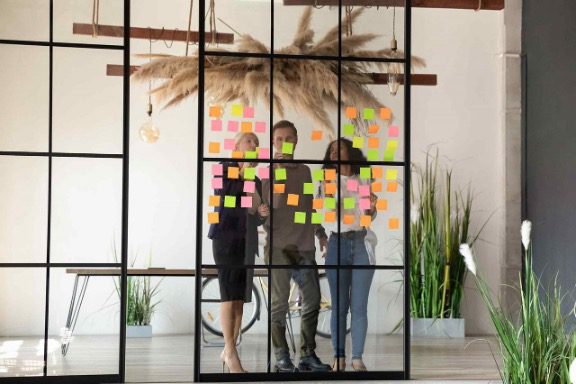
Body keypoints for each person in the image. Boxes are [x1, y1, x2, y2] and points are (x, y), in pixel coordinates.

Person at [261, 120, 332, 372]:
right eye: (279, 139)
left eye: (288, 138)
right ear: (273, 142)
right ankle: (282, 357)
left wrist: (320, 232)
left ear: (296, 140)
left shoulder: (304, 171)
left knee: (312, 299)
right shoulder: (268, 171)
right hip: (278, 247)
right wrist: (278, 167)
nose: (284, 143)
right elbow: (276, 203)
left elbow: (307, 207)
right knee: (279, 304)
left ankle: (307, 355)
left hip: (304, 247)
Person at [208, 132, 269, 373]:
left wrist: (260, 215)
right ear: (236, 146)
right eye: (249, 141)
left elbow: (248, 218)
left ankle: (229, 350)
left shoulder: (254, 179)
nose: (254, 144)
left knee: (241, 300)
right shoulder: (222, 168)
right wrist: (242, 173)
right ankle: (230, 352)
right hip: (225, 239)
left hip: (246, 242)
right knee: (229, 295)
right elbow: (225, 201)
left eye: (256, 142)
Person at [321, 138, 378, 372]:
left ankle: (357, 357)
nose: (334, 152)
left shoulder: (363, 179)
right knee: (339, 306)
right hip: (337, 242)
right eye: (331, 149)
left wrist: (371, 208)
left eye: (339, 148)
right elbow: (322, 211)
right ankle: (339, 357)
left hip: (361, 241)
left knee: (359, 306)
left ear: (350, 152)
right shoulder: (326, 180)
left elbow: (367, 216)